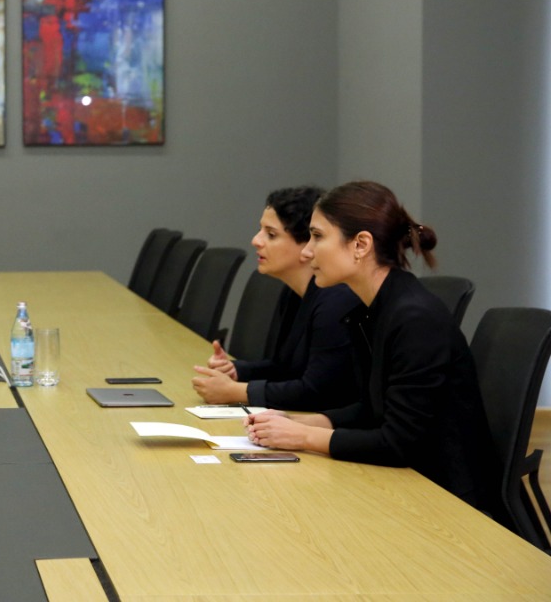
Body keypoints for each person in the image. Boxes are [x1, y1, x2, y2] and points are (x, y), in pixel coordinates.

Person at [244, 181, 502, 515]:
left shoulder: (414, 318)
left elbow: (398, 442)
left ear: (360, 245)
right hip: (409, 482)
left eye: (318, 237)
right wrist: (297, 421)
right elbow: (372, 409)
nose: (307, 252)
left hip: (448, 501)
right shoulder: (374, 308)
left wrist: (302, 437)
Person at [191, 186, 359, 410]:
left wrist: (238, 392)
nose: (256, 240)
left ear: (308, 244)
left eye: (271, 234)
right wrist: (236, 370)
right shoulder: (294, 293)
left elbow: (318, 392)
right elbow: (286, 368)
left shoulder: (336, 301)